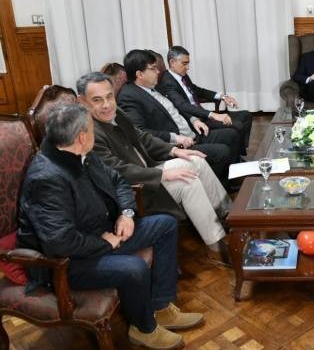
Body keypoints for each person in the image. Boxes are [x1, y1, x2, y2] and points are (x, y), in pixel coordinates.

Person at [17, 104, 202, 350]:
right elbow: (59, 242)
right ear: (82, 137)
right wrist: (105, 243)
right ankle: (144, 329)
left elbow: (118, 180)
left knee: (165, 225)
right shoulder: (46, 178)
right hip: (68, 261)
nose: (95, 133)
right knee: (134, 268)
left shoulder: (81, 153)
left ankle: (160, 306)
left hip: (103, 231)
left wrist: (126, 214)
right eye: (92, 129)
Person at [77, 72, 230, 265]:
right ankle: (215, 246)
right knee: (188, 182)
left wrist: (174, 150)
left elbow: (142, 137)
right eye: (97, 100)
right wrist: (162, 174)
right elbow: (117, 171)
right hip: (137, 191)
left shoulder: (116, 113)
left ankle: (227, 216)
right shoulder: (88, 133)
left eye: (109, 96)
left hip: (149, 170)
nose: (107, 105)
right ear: (82, 102)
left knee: (195, 160)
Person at [118, 49, 239, 187]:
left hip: (190, 132)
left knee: (231, 135)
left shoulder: (151, 86)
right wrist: (175, 138)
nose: (158, 71)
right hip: (177, 144)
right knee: (222, 152)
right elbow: (140, 132)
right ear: (139, 74)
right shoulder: (129, 97)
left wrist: (193, 120)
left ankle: (231, 176)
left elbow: (176, 106)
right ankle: (217, 186)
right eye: (153, 68)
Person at [156, 45, 252, 156]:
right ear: (172, 62)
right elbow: (181, 105)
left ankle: (239, 151)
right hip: (194, 121)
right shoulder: (167, 82)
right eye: (184, 63)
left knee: (246, 116)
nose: (187, 67)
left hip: (202, 114)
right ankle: (237, 155)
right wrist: (212, 115)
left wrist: (222, 96)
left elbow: (198, 90)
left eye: (188, 63)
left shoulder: (182, 75)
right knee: (237, 126)